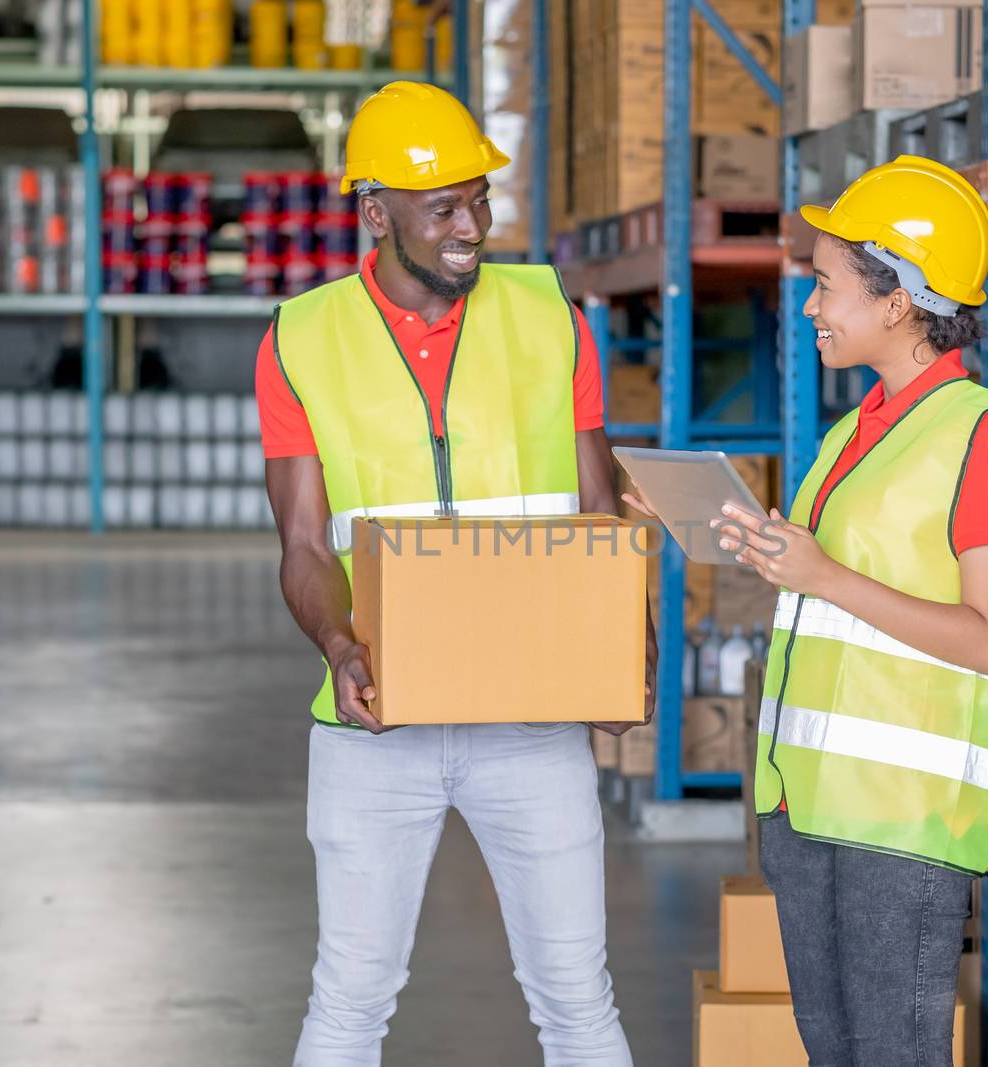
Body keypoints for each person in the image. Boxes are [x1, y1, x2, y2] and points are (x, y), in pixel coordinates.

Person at [254, 81, 650, 1067]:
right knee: (348, 998)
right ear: (375, 211)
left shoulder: (550, 315)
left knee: (576, 998)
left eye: (479, 200)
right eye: (443, 207)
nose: (470, 225)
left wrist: (618, 652)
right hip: (374, 717)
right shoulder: (300, 338)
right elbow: (305, 545)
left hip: (530, 719)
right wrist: (340, 646)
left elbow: (596, 511)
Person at [706, 156, 988, 1065]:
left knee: (894, 1051)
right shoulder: (856, 428)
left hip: (901, 824)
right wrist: (770, 549)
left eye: (826, 286)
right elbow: (839, 584)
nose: (813, 306)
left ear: (898, 301)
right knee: (834, 1051)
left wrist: (823, 575)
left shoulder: (977, 438)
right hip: (810, 802)